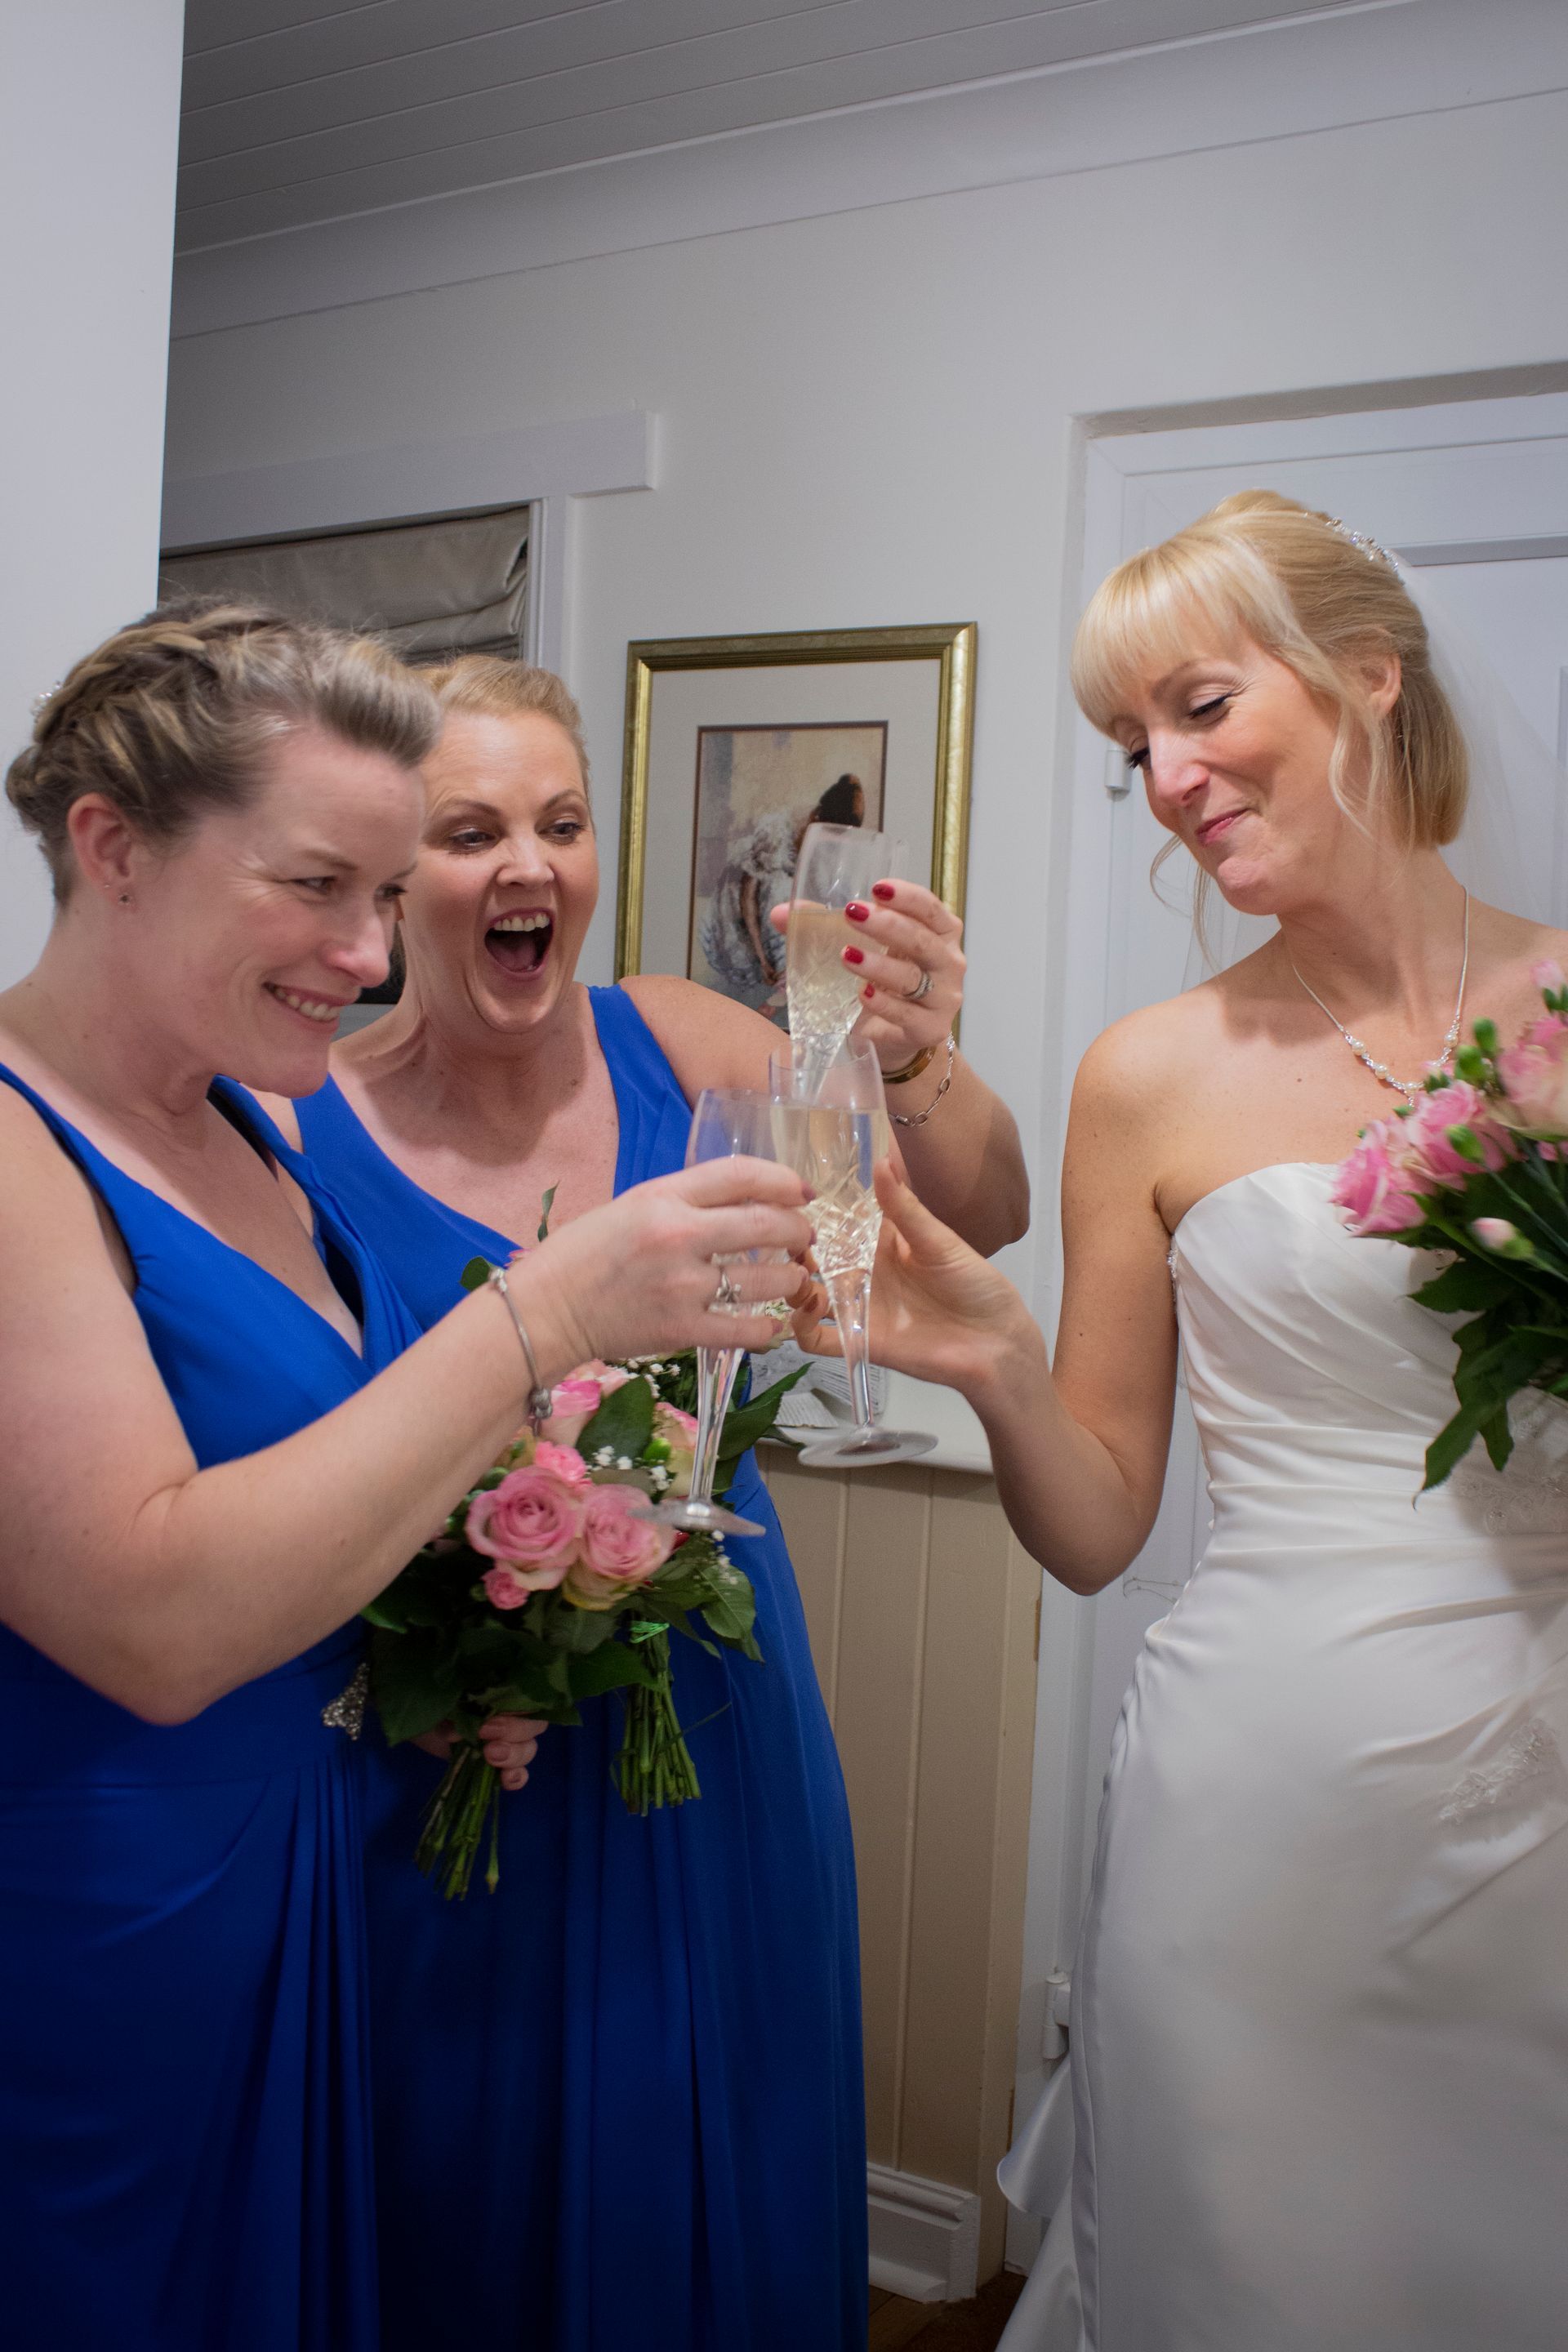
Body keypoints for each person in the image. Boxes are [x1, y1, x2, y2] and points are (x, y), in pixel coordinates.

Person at [795, 493, 1568, 2351]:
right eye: (1131, 743)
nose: (1166, 779)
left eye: (1200, 709)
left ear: (1365, 675)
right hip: (1263, 1808)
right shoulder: (1146, 1076)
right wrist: (997, 1357)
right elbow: (1095, 1532)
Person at [0, 604, 812, 2352]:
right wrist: (551, 1311)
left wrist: (414, 1677)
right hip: (118, 1940)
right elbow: (149, 1619)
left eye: (383, 895)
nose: (369, 955)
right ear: (113, 847)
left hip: (323, 1895)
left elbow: (313, 1506)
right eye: (318, 887)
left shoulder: (240, 1127)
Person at [264, 654, 1028, 2352]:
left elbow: (974, 1216)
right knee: (468, 2188)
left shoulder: (683, 1040)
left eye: (562, 822)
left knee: (721, 2152)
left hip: (712, 1710)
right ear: (389, 870)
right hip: (456, 1745)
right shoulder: (300, 1126)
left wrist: (916, 1062)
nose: (528, 864)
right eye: (471, 831)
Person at [700, 768, 866, 1010]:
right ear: (816, 817)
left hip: (785, 898)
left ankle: (788, 991)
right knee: (784, 897)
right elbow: (748, 896)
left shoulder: (825, 846)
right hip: (742, 903)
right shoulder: (777, 833)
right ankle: (780, 993)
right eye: (830, 835)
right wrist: (761, 958)